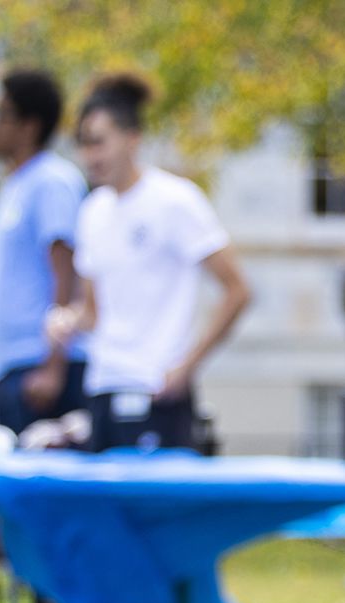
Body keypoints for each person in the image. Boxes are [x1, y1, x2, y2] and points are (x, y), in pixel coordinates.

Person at [46, 73, 253, 455]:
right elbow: (93, 313)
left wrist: (187, 366)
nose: (90, 156)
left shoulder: (174, 200)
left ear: (132, 138)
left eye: (98, 142)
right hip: (103, 389)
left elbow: (237, 290)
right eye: (82, 145)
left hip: (156, 393)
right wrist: (66, 320)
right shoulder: (92, 212)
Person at [0, 68, 88, 435]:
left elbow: (69, 272)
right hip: (12, 364)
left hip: (43, 370)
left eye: (1, 115)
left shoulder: (52, 181)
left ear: (29, 126)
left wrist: (54, 366)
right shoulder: (16, 184)